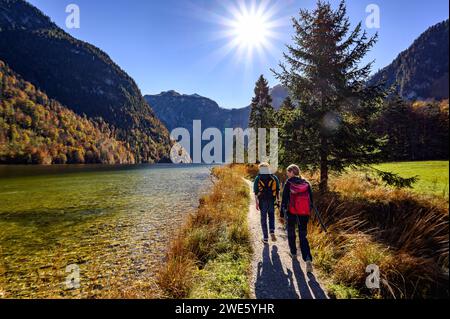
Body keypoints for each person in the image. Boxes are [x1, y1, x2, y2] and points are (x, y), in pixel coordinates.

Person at [281, 164, 314, 273]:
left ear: (292, 172)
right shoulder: (306, 183)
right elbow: (311, 201)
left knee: (291, 232)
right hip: (304, 213)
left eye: (288, 172)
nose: (287, 174)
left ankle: (294, 253)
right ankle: (308, 258)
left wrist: (282, 213)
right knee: (303, 236)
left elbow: (284, 200)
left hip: (292, 213)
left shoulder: (289, 183)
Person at [254, 162, 280, 244]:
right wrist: (278, 200)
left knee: (263, 218)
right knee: (271, 216)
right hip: (272, 200)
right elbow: (277, 190)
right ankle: (272, 231)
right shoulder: (274, 177)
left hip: (262, 201)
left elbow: (255, 192)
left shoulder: (258, 178)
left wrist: (257, 203)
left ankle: (265, 237)